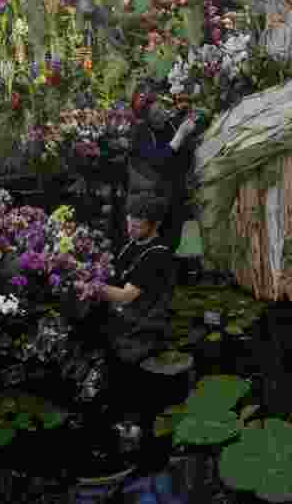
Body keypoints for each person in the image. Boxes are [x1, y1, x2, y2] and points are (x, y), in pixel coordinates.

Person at [76, 194, 178, 465]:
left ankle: (132, 428)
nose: (130, 226)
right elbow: (113, 274)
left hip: (143, 325)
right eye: (129, 220)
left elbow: (124, 296)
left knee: (126, 375)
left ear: (154, 223)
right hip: (122, 320)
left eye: (138, 221)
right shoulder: (131, 245)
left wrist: (89, 285)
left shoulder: (157, 254)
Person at [125, 85, 199, 254]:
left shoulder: (170, 124)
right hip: (151, 198)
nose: (162, 114)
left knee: (173, 240)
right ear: (146, 118)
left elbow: (184, 156)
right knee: (153, 242)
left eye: (161, 108)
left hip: (175, 194)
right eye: (156, 113)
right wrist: (180, 136)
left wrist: (191, 126)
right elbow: (158, 160)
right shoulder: (140, 133)